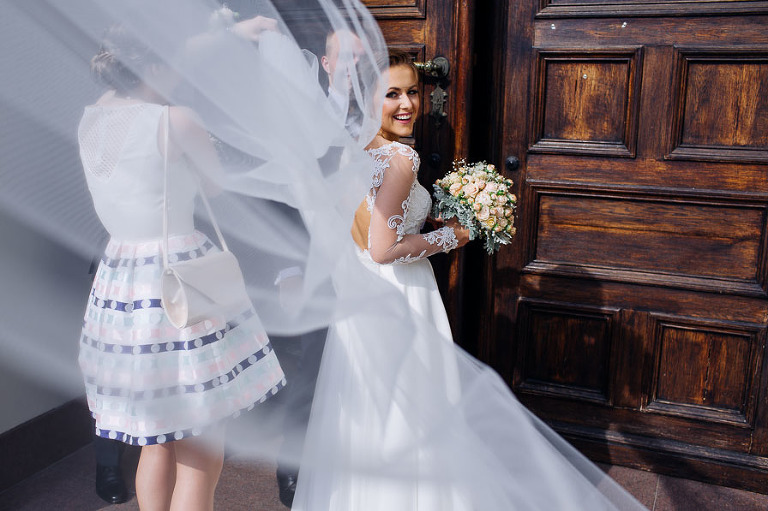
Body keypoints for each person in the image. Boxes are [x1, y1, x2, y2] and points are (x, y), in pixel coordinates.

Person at [77, 24, 284, 510]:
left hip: (122, 281)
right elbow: (215, 186)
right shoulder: (174, 119)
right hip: (179, 279)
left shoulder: (93, 116)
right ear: (152, 66)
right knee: (202, 442)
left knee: (157, 437)